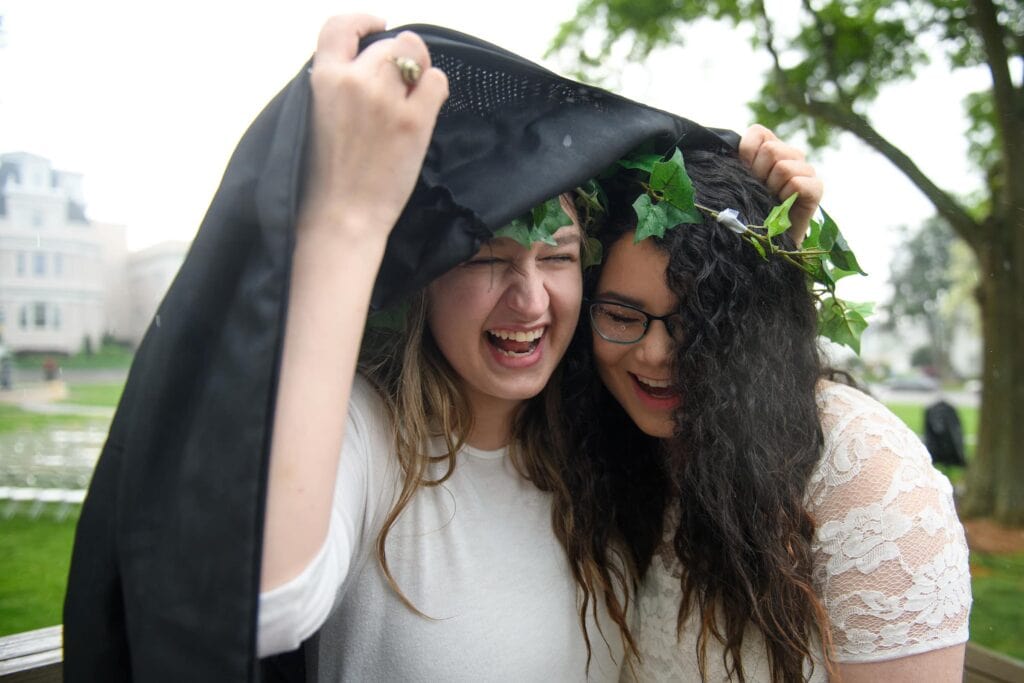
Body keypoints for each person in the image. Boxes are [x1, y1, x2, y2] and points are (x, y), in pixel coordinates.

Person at [256, 14, 827, 681]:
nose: (529, 301)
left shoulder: (602, 445)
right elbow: (272, 605)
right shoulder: (367, 436)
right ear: (426, 277)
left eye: (556, 256)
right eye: (485, 258)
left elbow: (730, 420)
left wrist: (763, 258)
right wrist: (346, 218)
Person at [567, 150, 971, 681]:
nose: (655, 354)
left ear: (750, 322)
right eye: (621, 315)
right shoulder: (625, 448)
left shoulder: (863, 471)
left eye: (698, 320)